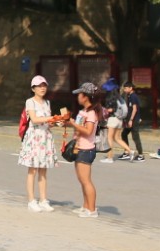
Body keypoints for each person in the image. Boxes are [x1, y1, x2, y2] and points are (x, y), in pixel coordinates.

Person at [17, 75, 63, 211]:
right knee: (32, 170)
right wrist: (51, 117)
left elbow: (48, 123)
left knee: (43, 170)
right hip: (34, 138)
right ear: (33, 88)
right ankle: (31, 200)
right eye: (39, 86)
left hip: (45, 137)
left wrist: (56, 122)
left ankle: (43, 199)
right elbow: (35, 119)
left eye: (44, 86)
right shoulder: (30, 102)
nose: (42, 88)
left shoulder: (47, 103)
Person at [71, 82, 102, 217]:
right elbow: (79, 127)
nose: (78, 96)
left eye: (80, 94)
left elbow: (88, 131)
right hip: (79, 147)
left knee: (86, 180)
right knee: (81, 180)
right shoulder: (83, 112)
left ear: (85, 97)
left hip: (86, 148)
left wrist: (73, 123)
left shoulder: (91, 113)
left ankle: (92, 210)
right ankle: (86, 206)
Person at [102, 82, 133, 163]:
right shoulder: (120, 98)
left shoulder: (110, 98)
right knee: (117, 138)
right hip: (120, 120)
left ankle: (110, 158)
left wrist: (105, 110)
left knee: (109, 138)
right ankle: (130, 151)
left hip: (113, 119)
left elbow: (111, 110)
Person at [119, 82, 145, 161]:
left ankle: (141, 155)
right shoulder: (129, 96)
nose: (124, 90)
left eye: (126, 88)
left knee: (135, 137)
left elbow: (135, 109)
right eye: (124, 88)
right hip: (130, 120)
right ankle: (126, 152)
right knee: (124, 134)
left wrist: (131, 120)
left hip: (134, 120)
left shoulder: (133, 96)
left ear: (131, 88)